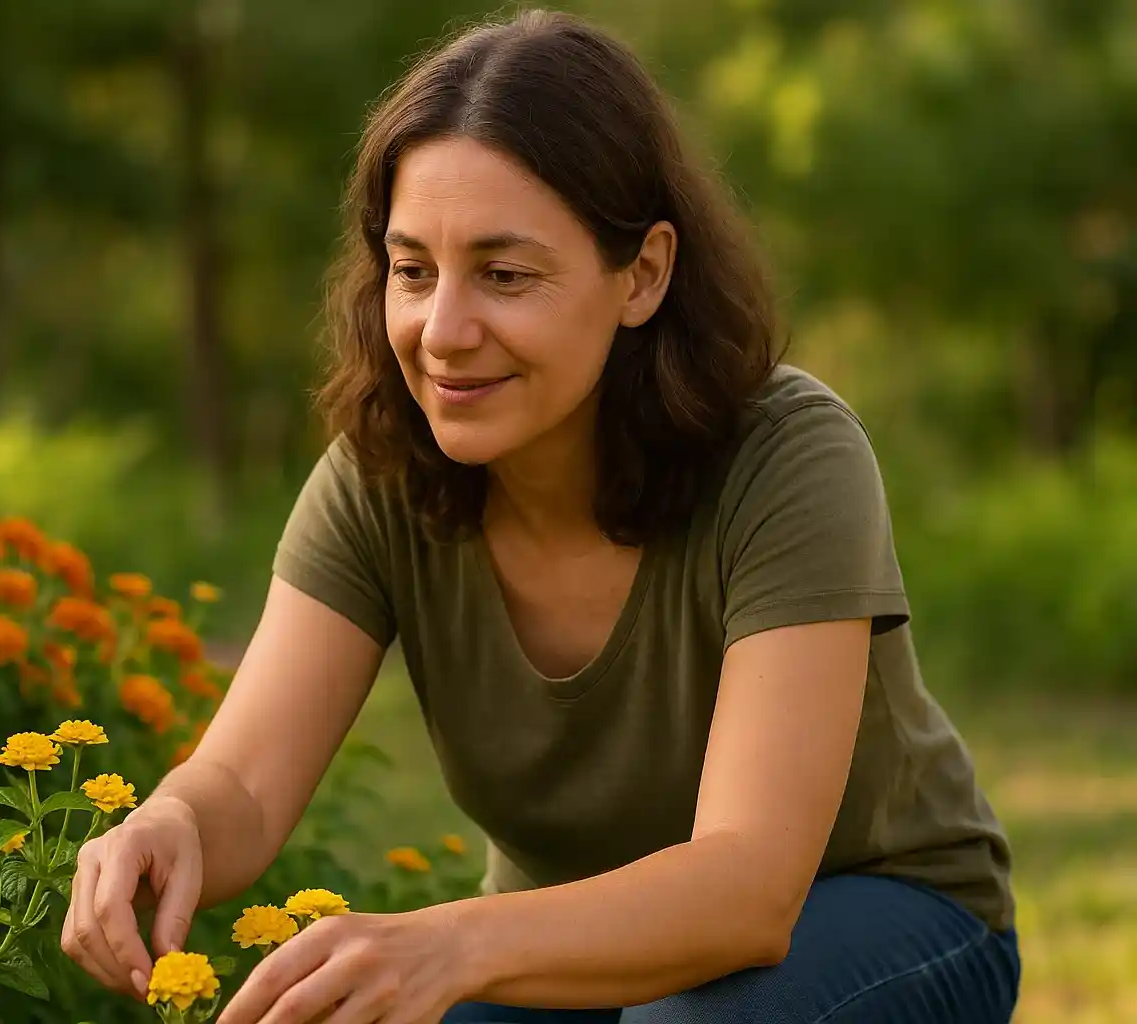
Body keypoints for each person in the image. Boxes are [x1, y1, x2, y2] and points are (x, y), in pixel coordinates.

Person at [63, 8, 1020, 1022]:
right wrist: (171, 821)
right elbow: (245, 787)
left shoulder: (787, 457)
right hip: (560, 953)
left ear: (643, 274)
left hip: (889, 919)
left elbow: (747, 888)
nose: (442, 332)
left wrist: (444, 943)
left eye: (505, 275)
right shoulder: (382, 472)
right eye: (413, 269)